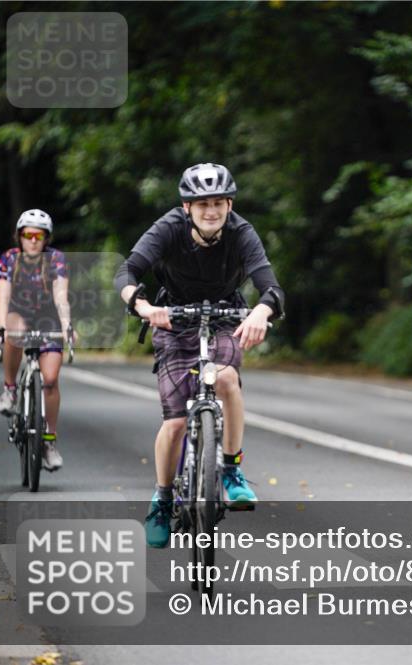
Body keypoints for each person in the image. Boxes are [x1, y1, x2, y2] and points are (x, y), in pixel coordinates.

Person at [114, 163, 284, 548]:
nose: (211, 211)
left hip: (226, 317)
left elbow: (269, 284)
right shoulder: (168, 228)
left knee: (225, 379)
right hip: (172, 321)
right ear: (186, 207)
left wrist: (262, 310)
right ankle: (162, 498)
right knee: (175, 423)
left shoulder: (241, 232)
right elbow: (127, 271)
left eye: (219, 203)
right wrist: (141, 305)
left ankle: (231, 471)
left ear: (229, 204)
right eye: (202, 203)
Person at [0, 209, 72, 471]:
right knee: (14, 330)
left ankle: (48, 442)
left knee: (50, 380)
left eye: (39, 235)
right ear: (20, 237)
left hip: (48, 316)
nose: (34, 240)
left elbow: (61, 297)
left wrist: (66, 326)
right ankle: (10, 389)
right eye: (28, 235)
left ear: (47, 238)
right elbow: (2, 298)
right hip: (19, 313)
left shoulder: (56, 259)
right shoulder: (9, 259)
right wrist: (1, 327)